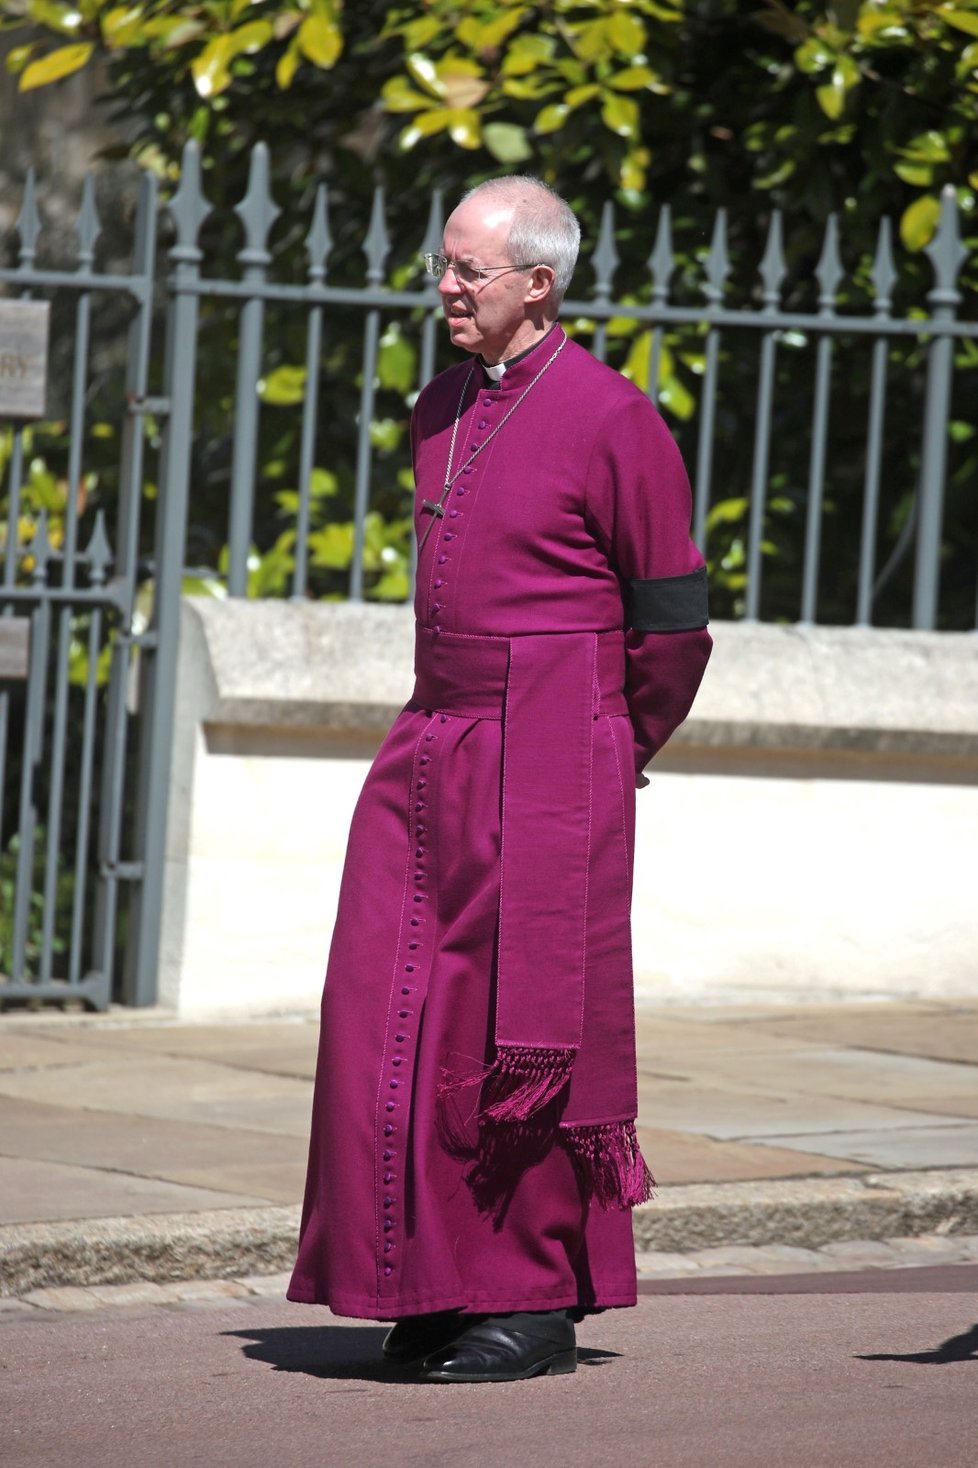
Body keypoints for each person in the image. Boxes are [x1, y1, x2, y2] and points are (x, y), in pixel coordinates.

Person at [287, 176, 712, 1383]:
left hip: (552, 750)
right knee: (386, 1014)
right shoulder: (436, 405)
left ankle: (527, 1299)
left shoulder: (616, 416)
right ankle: (420, 1286)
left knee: (520, 1031)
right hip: (431, 740)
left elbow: (672, 626)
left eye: (472, 268)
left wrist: (600, 746)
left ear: (541, 281)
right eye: (444, 263)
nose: (448, 285)